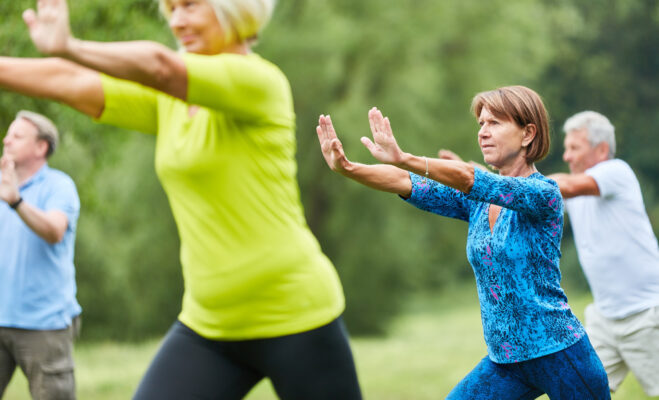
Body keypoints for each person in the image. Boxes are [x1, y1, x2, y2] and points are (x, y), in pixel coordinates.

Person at [0, 0, 362, 399]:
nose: (177, 20)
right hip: (209, 324)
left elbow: (160, 65)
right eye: (171, 9)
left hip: (296, 316)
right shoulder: (168, 100)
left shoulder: (259, 82)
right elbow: (73, 83)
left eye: (190, 6)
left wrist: (70, 44)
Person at [317, 86, 610, 399]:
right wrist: (347, 167)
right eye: (481, 124)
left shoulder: (543, 194)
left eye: (494, 123)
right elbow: (407, 183)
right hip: (506, 362)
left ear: (528, 134)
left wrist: (404, 157)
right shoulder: (477, 203)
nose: (483, 132)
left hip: (561, 354)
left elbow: (475, 179)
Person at [549, 111, 659, 397]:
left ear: (601, 149)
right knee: (581, 392)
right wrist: (473, 177)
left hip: (647, 315)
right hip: (604, 320)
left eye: (575, 148)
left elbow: (565, 186)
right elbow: (526, 196)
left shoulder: (615, 172)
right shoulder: (572, 193)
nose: (567, 156)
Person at [0, 110, 81, 400]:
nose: (6, 141)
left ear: (40, 147)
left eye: (17, 136)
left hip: (44, 324)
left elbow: (54, 230)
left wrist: (16, 201)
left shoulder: (59, 186)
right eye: (8, 134)